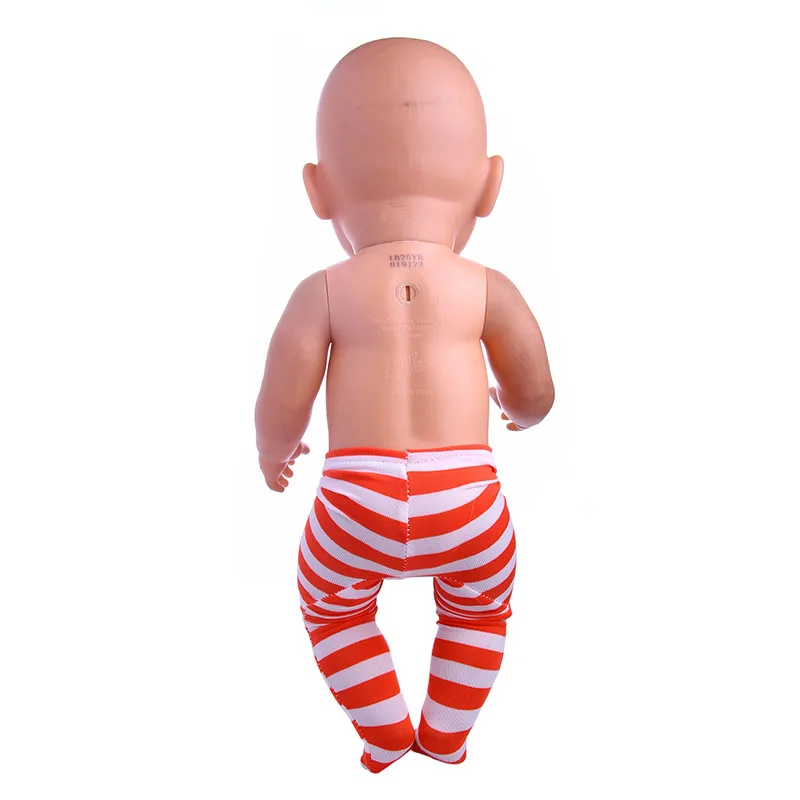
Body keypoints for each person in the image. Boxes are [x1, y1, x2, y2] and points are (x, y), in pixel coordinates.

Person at [255, 37, 555, 772]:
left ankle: (384, 729)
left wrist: (273, 451)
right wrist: (517, 409)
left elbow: (282, 396)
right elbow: (537, 389)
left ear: (318, 190)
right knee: (480, 607)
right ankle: (446, 733)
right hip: (468, 502)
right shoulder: (487, 288)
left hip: (353, 501)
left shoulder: (324, 291)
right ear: (489, 186)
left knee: (331, 605)